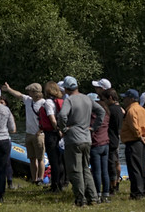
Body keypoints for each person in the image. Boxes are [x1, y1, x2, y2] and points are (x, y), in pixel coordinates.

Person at [57, 76, 105, 207]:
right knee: (85, 169)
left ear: (66, 89)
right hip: (87, 138)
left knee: (75, 169)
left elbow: (62, 115)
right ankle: (93, 197)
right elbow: (101, 111)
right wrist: (94, 127)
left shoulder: (69, 100)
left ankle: (80, 199)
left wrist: (64, 128)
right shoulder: (87, 98)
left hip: (73, 139)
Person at [1, 82, 46, 184]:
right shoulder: (28, 100)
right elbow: (19, 95)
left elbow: (46, 118)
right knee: (31, 158)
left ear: (35, 92)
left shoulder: (44, 103)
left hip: (39, 134)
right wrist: (9, 89)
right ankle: (34, 179)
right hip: (28, 133)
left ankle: (41, 178)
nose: (28, 93)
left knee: (40, 158)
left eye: (30, 91)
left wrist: (41, 130)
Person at [119, 88, 145, 200]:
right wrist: (143, 136)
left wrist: (139, 136)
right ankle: (143, 190)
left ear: (131, 99)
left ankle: (137, 193)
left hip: (133, 142)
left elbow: (134, 127)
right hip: (140, 142)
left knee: (134, 169)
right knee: (141, 167)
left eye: (126, 97)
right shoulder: (142, 110)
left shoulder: (131, 111)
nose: (124, 99)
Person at [39, 81, 65, 193]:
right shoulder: (60, 101)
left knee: (54, 161)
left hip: (52, 134)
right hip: (60, 133)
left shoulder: (49, 102)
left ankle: (55, 186)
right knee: (60, 160)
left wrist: (57, 129)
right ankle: (61, 183)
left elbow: (52, 118)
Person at [87, 93, 110, 203]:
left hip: (95, 144)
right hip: (105, 143)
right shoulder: (106, 113)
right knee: (105, 171)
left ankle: (97, 193)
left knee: (96, 171)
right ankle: (106, 194)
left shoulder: (91, 115)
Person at [104, 88, 125, 195]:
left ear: (110, 98)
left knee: (110, 164)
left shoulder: (111, 110)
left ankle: (112, 186)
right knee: (116, 161)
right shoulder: (120, 109)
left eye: (105, 99)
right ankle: (116, 183)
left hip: (110, 139)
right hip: (116, 138)